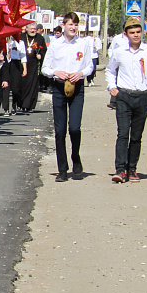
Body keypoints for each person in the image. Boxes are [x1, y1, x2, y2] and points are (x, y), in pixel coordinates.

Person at [105, 17, 147, 182]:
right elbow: (110, 70)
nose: (135, 35)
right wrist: (112, 86)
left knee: (136, 135)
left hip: (143, 96)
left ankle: (132, 169)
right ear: (126, 34)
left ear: (142, 33)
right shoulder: (119, 52)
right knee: (123, 133)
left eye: (138, 32)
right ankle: (120, 170)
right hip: (124, 95)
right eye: (132, 32)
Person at [42, 12, 96, 182]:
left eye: (76, 25)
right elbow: (45, 68)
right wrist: (54, 72)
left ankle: (76, 156)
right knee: (59, 130)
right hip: (59, 87)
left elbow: (89, 66)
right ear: (63, 26)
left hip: (76, 87)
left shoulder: (84, 44)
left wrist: (80, 73)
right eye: (70, 24)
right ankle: (62, 169)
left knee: (74, 127)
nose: (73, 27)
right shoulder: (55, 45)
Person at [21, 23, 46, 111]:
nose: (33, 31)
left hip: (34, 65)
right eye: (31, 29)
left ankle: (29, 105)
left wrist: (40, 55)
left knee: (33, 85)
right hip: (22, 65)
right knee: (23, 84)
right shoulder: (22, 37)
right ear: (27, 29)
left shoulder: (40, 38)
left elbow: (44, 51)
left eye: (34, 29)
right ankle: (21, 103)